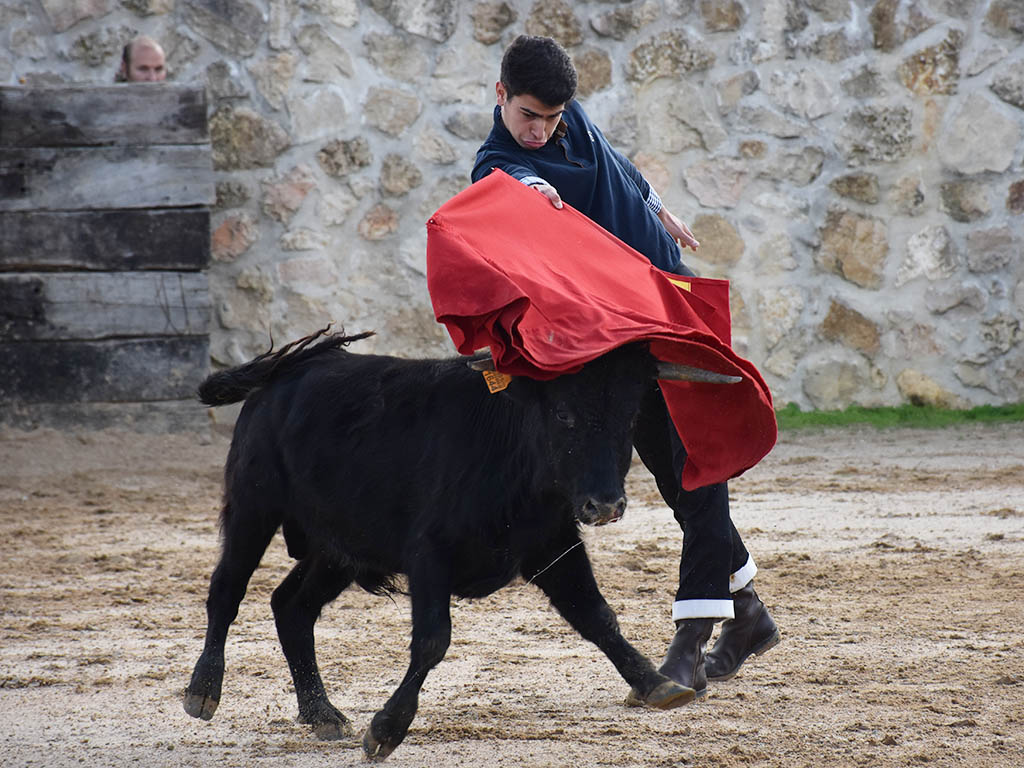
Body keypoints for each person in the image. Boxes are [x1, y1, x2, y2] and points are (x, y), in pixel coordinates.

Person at [471, 35, 779, 702]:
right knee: (679, 476)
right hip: (618, 340)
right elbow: (510, 189)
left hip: (668, 308)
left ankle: (693, 644)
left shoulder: (571, 119)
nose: (542, 129)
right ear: (500, 96)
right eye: (529, 115)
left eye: (553, 117)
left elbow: (614, 162)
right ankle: (746, 613)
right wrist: (534, 193)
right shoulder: (498, 168)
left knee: (695, 473)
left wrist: (653, 200)